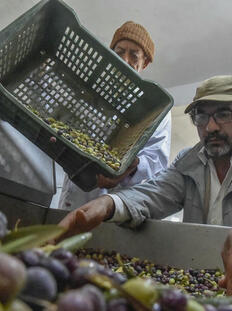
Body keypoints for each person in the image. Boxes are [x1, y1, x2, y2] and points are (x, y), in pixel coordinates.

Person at [57, 75, 232, 295]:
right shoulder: (188, 162)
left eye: (224, 113)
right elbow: (153, 193)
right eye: (202, 116)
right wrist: (108, 203)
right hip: (201, 284)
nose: (211, 126)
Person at [58, 21, 171, 210]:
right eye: (119, 52)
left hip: (115, 207)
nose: (124, 60)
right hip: (73, 198)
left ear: (145, 62)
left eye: (134, 55)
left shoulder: (155, 109)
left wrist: (129, 168)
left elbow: (156, 162)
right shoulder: (90, 93)